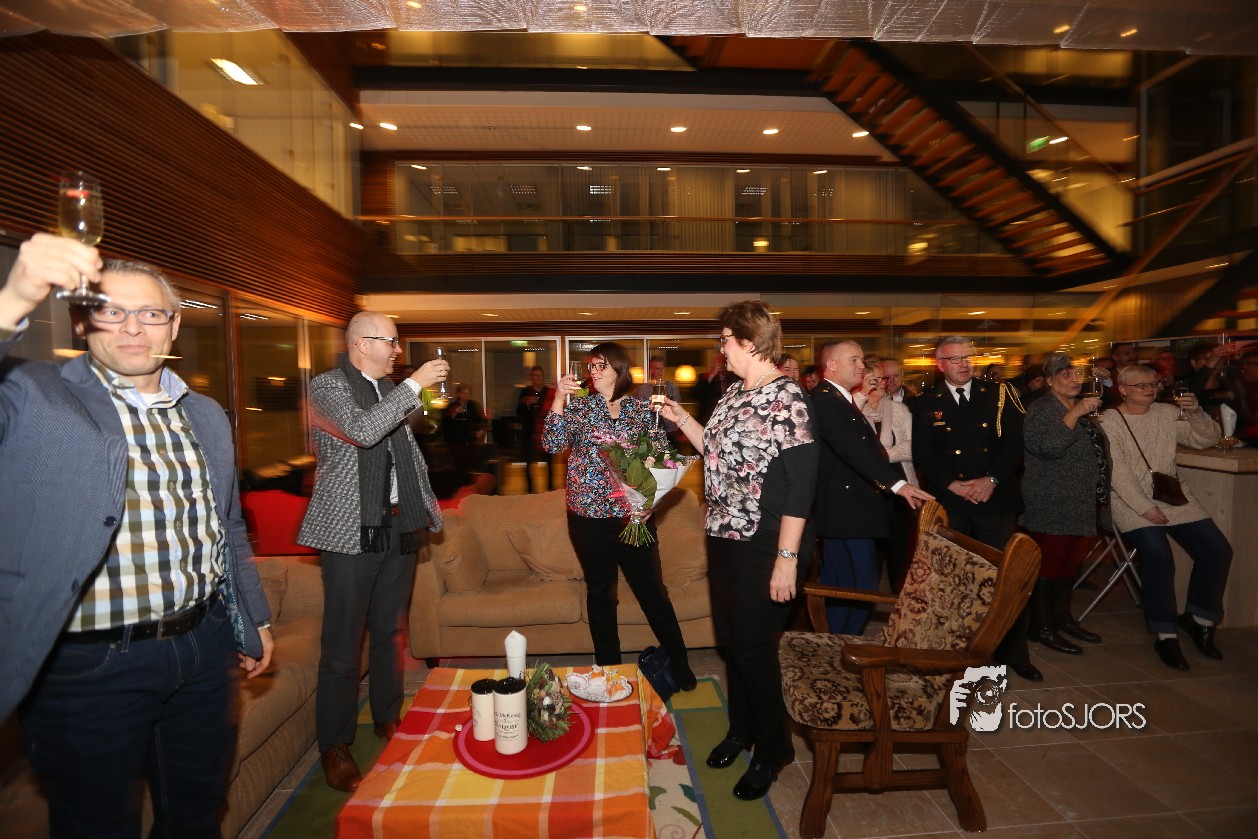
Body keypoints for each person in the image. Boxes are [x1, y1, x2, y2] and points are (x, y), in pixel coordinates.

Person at [0, 234, 273, 835]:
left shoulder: (205, 414)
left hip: (204, 647)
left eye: (150, 313)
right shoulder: (33, 395)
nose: (132, 327)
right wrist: (13, 298)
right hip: (88, 664)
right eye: (111, 310)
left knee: (197, 812)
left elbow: (226, 524)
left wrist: (254, 619)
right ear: (82, 321)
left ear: (173, 327)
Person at [660, 301, 818, 802]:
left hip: (766, 542)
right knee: (733, 642)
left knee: (753, 649)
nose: (720, 348)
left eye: (725, 339)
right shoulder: (733, 393)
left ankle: (774, 749)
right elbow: (713, 449)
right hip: (723, 534)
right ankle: (741, 730)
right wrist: (681, 418)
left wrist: (787, 560)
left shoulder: (786, 397)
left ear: (749, 342)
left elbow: (801, 487)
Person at [298, 312, 447, 791]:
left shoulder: (388, 389)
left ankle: (387, 716)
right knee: (343, 645)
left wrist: (425, 506)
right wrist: (414, 386)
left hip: (400, 526)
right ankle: (335, 744)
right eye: (392, 341)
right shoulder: (328, 386)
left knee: (390, 632)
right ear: (362, 344)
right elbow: (363, 431)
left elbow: (405, 452)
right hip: (351, 532)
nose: (398, 351)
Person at [543, 343, 695, 689]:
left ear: (619, 370)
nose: (593, 373)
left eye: (601, 366)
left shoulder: (641, 410)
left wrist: (651, 500)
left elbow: (662, 458)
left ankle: (680, 663)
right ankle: (609, 671)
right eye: (591, 367)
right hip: (588, 518)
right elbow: (552, 444)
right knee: (602, 595)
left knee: (653, 593)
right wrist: (558, 398)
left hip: (635, 518)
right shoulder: (580, 407)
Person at [912, 337, 1035, 680]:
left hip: (993, 498)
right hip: (952, 501)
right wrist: (951, 484)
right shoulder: (926, 401)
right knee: (953, 577)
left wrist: (990, 480)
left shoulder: (999, 394)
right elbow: (924, 452)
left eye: (968, 357)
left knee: (1004, 577)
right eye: (955, 359)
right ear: (940, 365)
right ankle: (954, 650)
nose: (964, 364)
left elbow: (1014, 444)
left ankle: (1012, 652)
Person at [1102, 364, 1232, 671]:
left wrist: (1196, 412)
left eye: (1154, 384)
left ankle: (1200, 620)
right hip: (1129, 501)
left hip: (1172, 496)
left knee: (1217, 551)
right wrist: (1144, 507)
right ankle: (1165, 635)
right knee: (1159, 556)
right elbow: (1117, 473)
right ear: (1123, 389)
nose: (1150, 389)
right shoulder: (1110, 420)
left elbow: (1205, 439)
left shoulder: (1167, 412)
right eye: (1141, 385)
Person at [814, 345, 933, 633]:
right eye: (853, 360)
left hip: (850, 508)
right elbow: (852, 449)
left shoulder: (840, 398)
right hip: (846, 511)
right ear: (832, 365)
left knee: (846, 583)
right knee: (860, 585)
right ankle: (843, 644)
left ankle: (835, 642)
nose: (861, 365)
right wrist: (897, 484)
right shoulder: (824, 399)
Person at [1019, 354, 1110, 657]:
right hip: (1052, 499)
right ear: (1049, 380)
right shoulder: (1042, 409)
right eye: (1065, 374)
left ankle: (1062, 619)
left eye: (1077, 374)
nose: (1074, 379)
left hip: (1083, 498)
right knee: (1050, 563)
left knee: (1070, 564)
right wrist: (1077, 412)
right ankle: (1041, 626)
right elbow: (1048, 447)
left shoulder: (1080, 406)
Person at [856, 361, 923, 593]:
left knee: (901, 551)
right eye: (875, 379)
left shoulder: (899, 410)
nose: (882, 383)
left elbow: (915, 446)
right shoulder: (852, 411)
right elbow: (853, 452)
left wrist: (884, 455)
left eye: (882, 378)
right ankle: (867, 597)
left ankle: (899, 598)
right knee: (869, 555)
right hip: (866, 492)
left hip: (901, 490)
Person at [516, 365, 555, 492]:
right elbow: (518, 411)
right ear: (531, 377)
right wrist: (527, 403)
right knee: (528, 463)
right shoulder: (525, 392)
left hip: (546, 433)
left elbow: (556, 412)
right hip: (530, 433)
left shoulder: (549, 393)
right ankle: (530, 492)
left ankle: (550, 490)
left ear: (543, 377)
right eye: (535, 375)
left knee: (549, 463)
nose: (537, 378)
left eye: (540, 375)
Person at [441, 382, 485, 474]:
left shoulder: (473, 406)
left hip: (470, 440)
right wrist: (454, 413)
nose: (466, 396)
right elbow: (445, 423)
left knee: (470, 465)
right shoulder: (452, 406)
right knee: (458, 465)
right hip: (456, 442)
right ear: (458, 394)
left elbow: (481, 420)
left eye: (468, 394)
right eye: (463, 393)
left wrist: (480, 430)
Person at [634, 355, 681, 431]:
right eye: (657, 369)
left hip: (670, 429)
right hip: (650, 429)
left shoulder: (672, 386)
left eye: (662, 368)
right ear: (651, 370)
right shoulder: (643, 389)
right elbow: (639, 410)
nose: (661, 371)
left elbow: (678, 408)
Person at [1225, 348, 1258, 445]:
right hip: (1244, 435)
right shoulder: (1237, 385)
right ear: (1245, 365)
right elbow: (1240, 415)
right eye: (1257, 364)